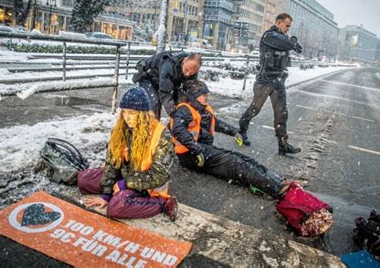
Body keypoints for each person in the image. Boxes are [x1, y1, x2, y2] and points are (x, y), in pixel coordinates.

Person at [169, 80, 288, 198]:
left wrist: (234, 132)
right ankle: (276, 188)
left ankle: (276, 179)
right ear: (193, 96)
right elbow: (178, 130)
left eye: (207, 94)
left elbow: (216, 123)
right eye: (203, 94)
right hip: (191, 155)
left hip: (203, 149)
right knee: (234, 163)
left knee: (243, 158)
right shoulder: (183, 110)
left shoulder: (202, 109)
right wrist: (196, 149)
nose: (207, 97)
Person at [77, 87, 178, 221]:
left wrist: (126, 184)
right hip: (123, 176)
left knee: (116, 208)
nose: (127, 117)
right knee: (84, 179)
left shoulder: (161, 134)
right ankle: (119, 194)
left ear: (143, 114)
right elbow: (111, 163)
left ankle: (161, 203)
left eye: (132, 113)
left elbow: (160, 174)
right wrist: (107, 194)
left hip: (146, 185)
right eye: (124, 112)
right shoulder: (120, 130)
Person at [238, 13, 303, 155]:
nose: (288, 29)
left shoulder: (283, 38)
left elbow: (290, 46)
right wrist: (293, 42)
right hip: (265, 80)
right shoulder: (269, 36)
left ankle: (283, 144)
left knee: (282, 113)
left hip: (278, 81)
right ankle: (241, 130)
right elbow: (285, 44)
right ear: (279, 23)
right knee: (255, 109)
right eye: (286, 25)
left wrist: (292, 43)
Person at [133, 51, 202, 119]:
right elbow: (165, 93)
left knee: (181, 101)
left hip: (167, 79)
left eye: (192, 73)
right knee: (154, 103)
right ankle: (150, 127)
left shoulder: (192, 70)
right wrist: (173, 113)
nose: (187, 74)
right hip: (149, 77)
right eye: (186, 69)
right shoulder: (169, 66)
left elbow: (189, 92)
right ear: (184, 61)